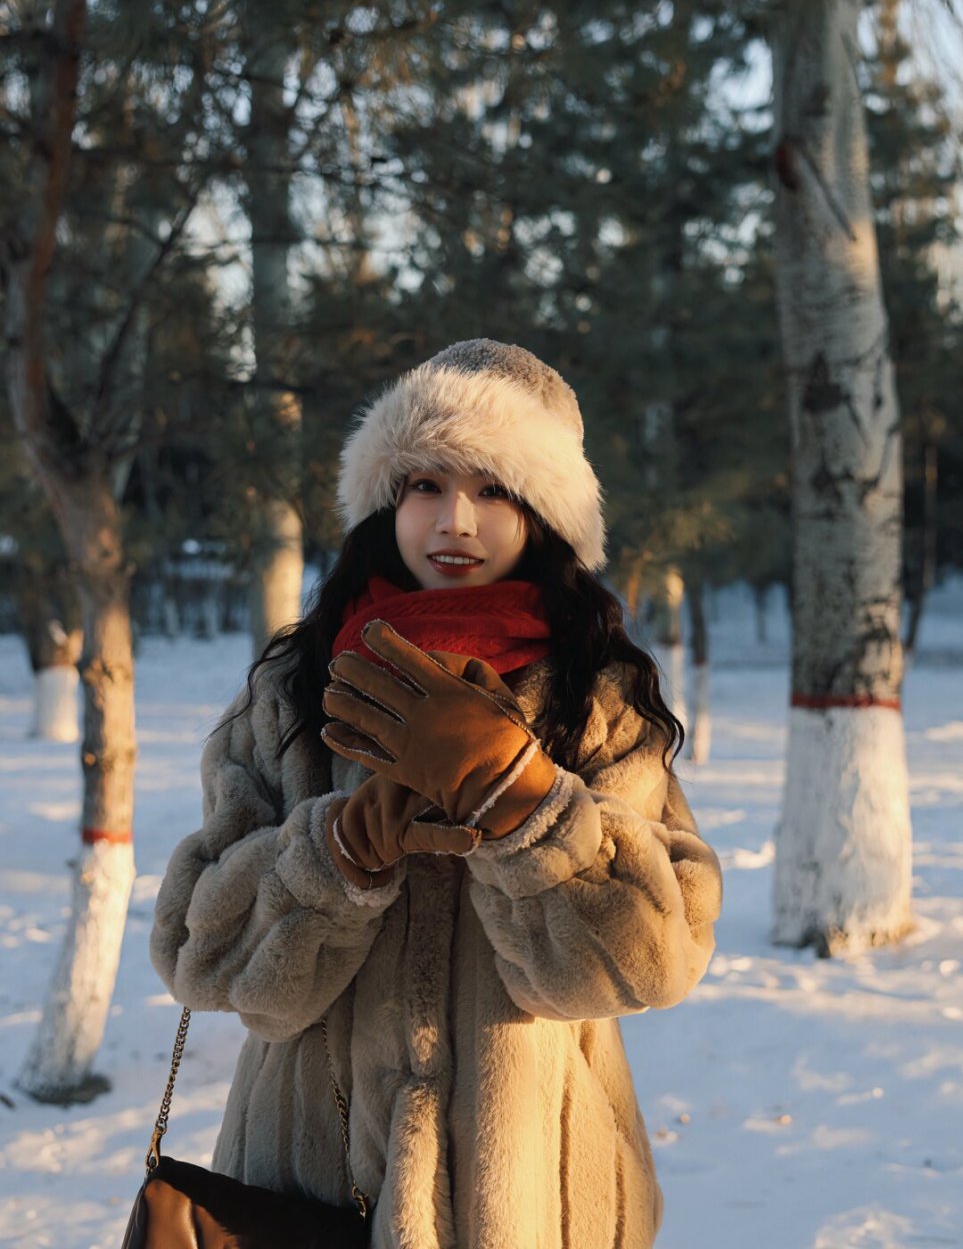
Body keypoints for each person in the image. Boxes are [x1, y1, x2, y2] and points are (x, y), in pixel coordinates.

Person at [150, 339, 723, 1249]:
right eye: (425, 483)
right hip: (304, 1191)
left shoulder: (597, 700)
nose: (456, 518)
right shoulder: (293, 688)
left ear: (543, 511)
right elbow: (200, 956)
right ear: (387, 499)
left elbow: (650, 960)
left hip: (534, 1196)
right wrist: (327, 861)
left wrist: (526, 806)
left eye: (494, 488)